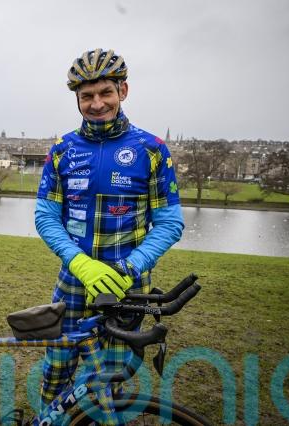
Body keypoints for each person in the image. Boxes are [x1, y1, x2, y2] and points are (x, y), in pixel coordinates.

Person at [35, 48, 184, 416]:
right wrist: (79, 263)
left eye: (106, 93)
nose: (97, 103)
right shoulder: (62, 150)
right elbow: (46, 217)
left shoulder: (152, 150)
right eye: (87, 96)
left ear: (123, 91)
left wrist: (130, 267)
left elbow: (169, 223)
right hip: (73, 284)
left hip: (126, 288)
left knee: (106, 384)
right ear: (77, 99)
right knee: (55, 377)